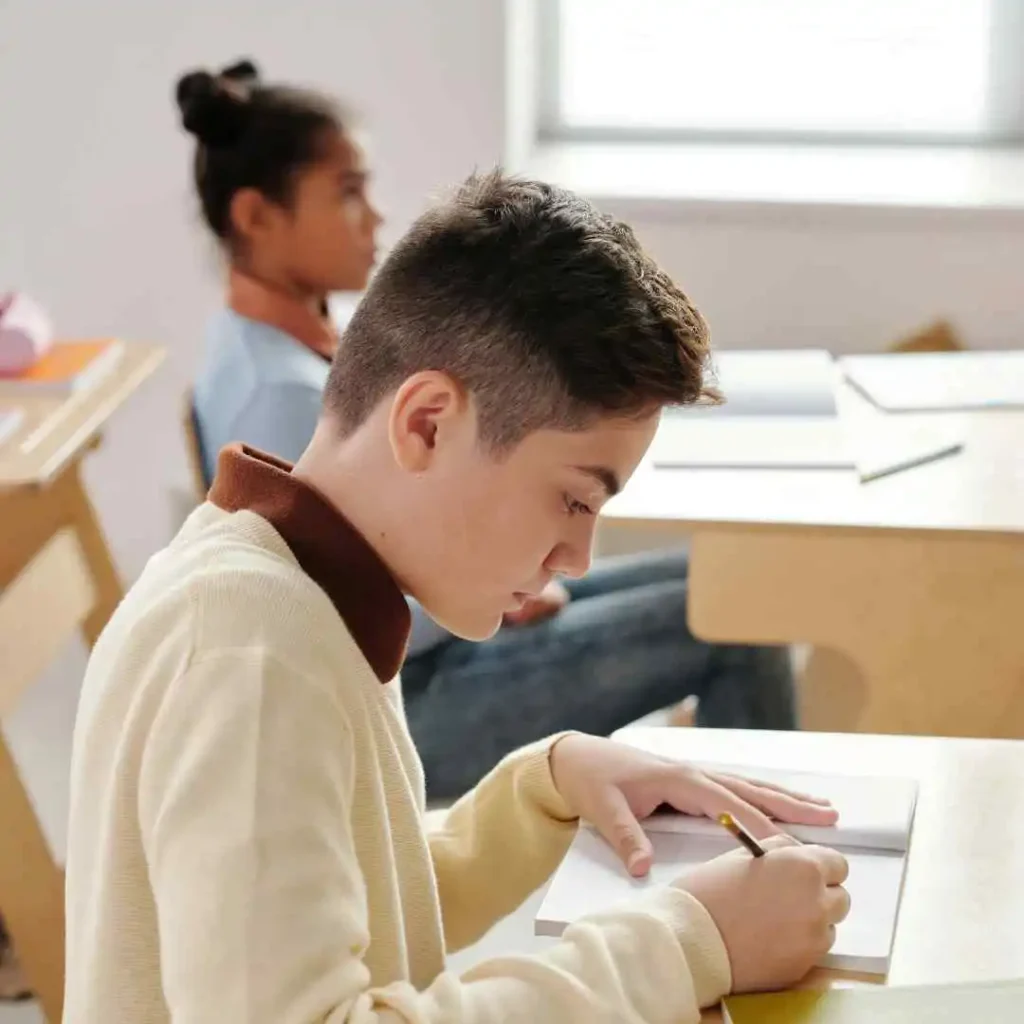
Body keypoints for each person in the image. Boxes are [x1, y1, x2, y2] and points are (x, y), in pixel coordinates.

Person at [63, 66, 851, 1024]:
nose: (579, 556)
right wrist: (687, 944)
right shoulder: (253, 649)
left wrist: (543, 788)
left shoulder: (297, 589)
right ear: (428, 423)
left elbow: (354, 907)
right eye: (572, 499)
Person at [189, 62, 796, 799]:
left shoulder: (288, 342)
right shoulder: (272, 393)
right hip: (427, 683)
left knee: (732, 587)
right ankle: (763, 859)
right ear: (256, 217)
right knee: (738, 621)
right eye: (348, 193)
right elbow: (348, 585)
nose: (375, 217)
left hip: (424, 646)